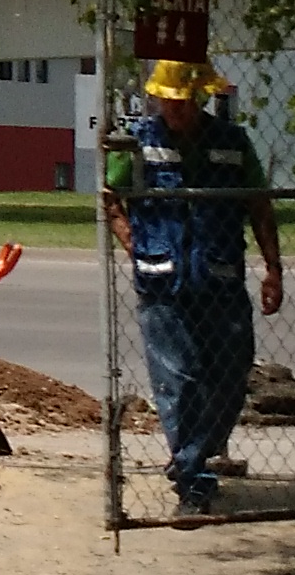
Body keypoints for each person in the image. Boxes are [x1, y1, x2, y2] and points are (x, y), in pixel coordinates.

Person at [111, 58, 283, 522]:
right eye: (168, 101)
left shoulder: (233, 142)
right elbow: (110, 200)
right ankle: (193, 482)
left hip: (220, 279)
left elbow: (259, 206)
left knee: (230, 377)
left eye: (184, 102)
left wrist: (273, 268)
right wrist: (133, 243)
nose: (176, 110)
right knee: (180, 382)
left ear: (202, 97)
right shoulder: (137, 142)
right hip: (162, 283)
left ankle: (190, 456)